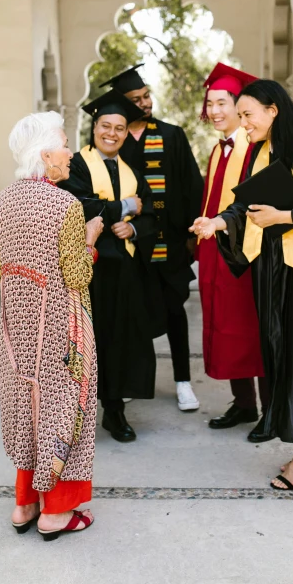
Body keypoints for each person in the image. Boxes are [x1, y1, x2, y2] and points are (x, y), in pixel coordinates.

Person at [191, 80, 293, 490]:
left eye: (247, 115)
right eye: (240, 116)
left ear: (274, 110)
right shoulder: (264, 152)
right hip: (279, 266)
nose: (242, 123)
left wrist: (284, 218)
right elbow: (246, 204)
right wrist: (218, 222)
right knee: (283, 351)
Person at [0, 111, 103, 540]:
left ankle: (24, 505)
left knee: (25, 401)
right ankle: (55, 512)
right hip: (59, 323)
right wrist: (91, 236)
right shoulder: (67, 205)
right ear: (44, 153)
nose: (70, 152)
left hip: (16, 322)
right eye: (63, 143)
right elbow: (78, 275)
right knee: (65, 404)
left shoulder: (4, 198)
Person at [60, 89, 162, 443]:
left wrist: (133, 226)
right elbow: (79, 206)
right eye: (106, 125)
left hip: (125, 270)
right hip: (88, 270)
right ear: (94, 127)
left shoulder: (132, 170)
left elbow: (149, 213)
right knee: (83, 341)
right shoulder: (75, 164)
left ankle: (114, 411)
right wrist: (122, 208)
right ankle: (73, 415)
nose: (112, 133)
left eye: (120, 128)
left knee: (122, 340)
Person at [100, 65, 204, 412]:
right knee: (131, 314)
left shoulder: (172, 135)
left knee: (175, 311)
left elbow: (191, 186)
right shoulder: (112, 140)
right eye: (136, 99)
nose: (145, 103)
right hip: (128, 244)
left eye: (146, 96)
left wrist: (190, 235)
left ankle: (183, 382)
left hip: (169, 242)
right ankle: (132, 380)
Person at [197, 64, 272, 442]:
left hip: (246, 255)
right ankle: (243, 403)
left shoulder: (252, 148)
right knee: (227, 330)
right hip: (218, 252)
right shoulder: (218, 149)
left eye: (223, 103)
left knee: (253, 332)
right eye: (210, 103)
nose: (215, 111)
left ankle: (270, 412)